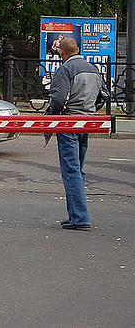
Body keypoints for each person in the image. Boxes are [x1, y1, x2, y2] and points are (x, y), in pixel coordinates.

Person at [45, 37, 108, 231]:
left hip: (68, 123)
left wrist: (51, 119)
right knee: (78, 170)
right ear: (78, 49)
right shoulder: (93, 69)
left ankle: (80, 218)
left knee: (71, 170)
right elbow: (103, 95)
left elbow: (58, 99)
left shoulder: (65, 70)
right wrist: (90, 111)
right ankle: (76, 215)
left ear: (61, 53)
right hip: (86, 123)